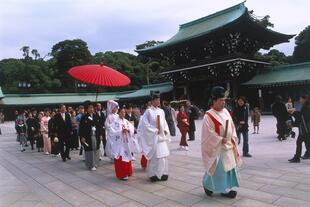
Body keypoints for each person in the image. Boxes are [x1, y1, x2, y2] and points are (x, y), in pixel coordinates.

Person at [201, 86, 242, 199]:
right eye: (221, 100)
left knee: (229, 168)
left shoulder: (225, 112)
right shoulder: (208, 116)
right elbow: (207, 134)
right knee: (219, 170)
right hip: (218, 148)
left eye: (224, 100)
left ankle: (224, 188)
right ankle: (211, 186)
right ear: (214, 101)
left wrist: (233, 137)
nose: (223, 103)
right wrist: (219, 139)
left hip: (228, 145)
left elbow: (232, 127)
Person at [139, 91, 170, 182]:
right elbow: (144, 125)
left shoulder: (161, 111)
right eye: (156, 99)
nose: (158, 101)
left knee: (164, 156)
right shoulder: (148, 112)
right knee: (156, 157)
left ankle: (164, 173)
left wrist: (165, 130)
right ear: (152, 101)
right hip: (154, 137)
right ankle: (153, 174)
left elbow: (164, 123)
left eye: (159, 99)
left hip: (162, 137)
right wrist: (154, 131)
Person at [110, 107, 135, 180]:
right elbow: (112, 132)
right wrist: (120, 132)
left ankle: (128, 171)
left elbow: (132, 129)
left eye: (124, 112)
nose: (123, 113)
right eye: (121, 112)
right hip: (119, 143)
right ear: (118, 113)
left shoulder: (126, 121)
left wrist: (128, 130)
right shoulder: (115, 122)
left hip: (126, 142)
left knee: (127, 155)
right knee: (121, 157)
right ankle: (122, 174)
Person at [289, 94, 310, 162]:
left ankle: (297, 158)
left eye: (301, 99)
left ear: (305, 99)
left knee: (300, 142)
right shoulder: (306, 106)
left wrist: (293, 112)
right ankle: (303, 155)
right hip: (305, 129)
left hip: (305, 129)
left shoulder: (305, 107)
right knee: (306, 143)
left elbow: (302, 117)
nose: (299, 100)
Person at [79, 102, 100, 170]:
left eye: (92, 107)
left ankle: (95, 163)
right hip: (88, 136)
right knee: (89, 150)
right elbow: (81, 128)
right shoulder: (84, 117)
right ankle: (90, 165)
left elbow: (98, 126)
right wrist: (82, 137)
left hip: (95, 135)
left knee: (96, 149)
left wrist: (100, 134)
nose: (92, 109)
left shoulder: (95, 115)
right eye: (90, 108)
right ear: (87, 109)